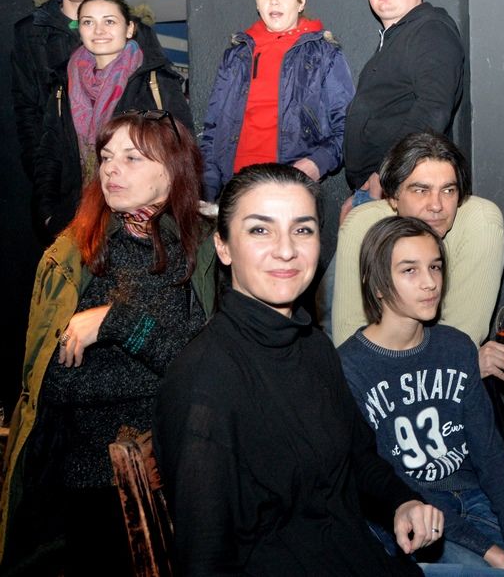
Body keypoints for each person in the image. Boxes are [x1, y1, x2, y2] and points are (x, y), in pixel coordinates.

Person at [153, 164, 448, 576]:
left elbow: (358, 459)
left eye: (302, 229)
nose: (286, 250)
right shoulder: (204, 383)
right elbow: (206, 561)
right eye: (260, 230)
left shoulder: (313, 345)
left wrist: (402, 503)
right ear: (223, 247)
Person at [0, 111, 215, 575]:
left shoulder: (205, 252)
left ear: (171, 169)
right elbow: (52, 385)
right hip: (92, 489)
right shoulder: (74, 253)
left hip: (185, 476)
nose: (112, 169)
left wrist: (117, 323)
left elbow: (205, 373)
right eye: (106, 157)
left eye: (132, 158)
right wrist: (158, 362)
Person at [338, 216, 504, 577]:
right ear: (378, 284)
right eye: (410, 270)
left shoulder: (456, 346)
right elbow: (386, 482)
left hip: (475, 495)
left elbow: (490, 453)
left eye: (435, 266)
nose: (430, 282)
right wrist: (491, 552)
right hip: (411, 511)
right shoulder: (349, 367)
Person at [332, 132, 504, 494]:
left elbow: (457, 358)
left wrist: (464, 362)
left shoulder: (477, 222)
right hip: (383, 422)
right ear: (393, 197)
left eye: (448, 190)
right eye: (420, 190)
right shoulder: (365, 228)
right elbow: (351, 357)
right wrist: (463, 363)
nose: (437, 206)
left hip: (452, 412)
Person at [12, 0, 167, 184]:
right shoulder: (30, 32)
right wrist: (40, 172)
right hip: (60, 173)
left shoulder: (136, 32)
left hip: (125, 169)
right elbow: (26, 107)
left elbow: (159, 103)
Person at [33, 0, 190, 239]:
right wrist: (48, 213)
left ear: (129, 29)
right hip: (75, 218)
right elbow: (49, 153)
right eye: (88, 22)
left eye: (109, 21)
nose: (99, 30)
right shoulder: (64, 83)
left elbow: (181, 152)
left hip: (140, 220)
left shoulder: (154, 80)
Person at [200, 0, 354, 202]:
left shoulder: (325, 54)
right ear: (256, 3)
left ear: (301, 2)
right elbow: (212, 129)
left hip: (291, 188)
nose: (274, 1)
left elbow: (347, 126)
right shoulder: (236, 56)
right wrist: (207, 190)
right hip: (236, 189)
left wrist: (316, 164)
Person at [343, 0, 465, 207]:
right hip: (381, 191)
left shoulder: (430, 29)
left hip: (400, 188)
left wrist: (385, 176)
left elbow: (433, 108)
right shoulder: (397, 37)